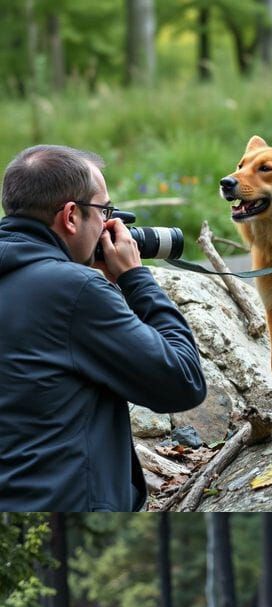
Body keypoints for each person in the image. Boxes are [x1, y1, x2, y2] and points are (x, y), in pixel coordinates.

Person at [0, 145, 206, 511]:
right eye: (105, 211)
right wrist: (136, 278)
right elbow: (184, 382)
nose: (112, 226)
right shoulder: (74, 291)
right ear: (70, 217)